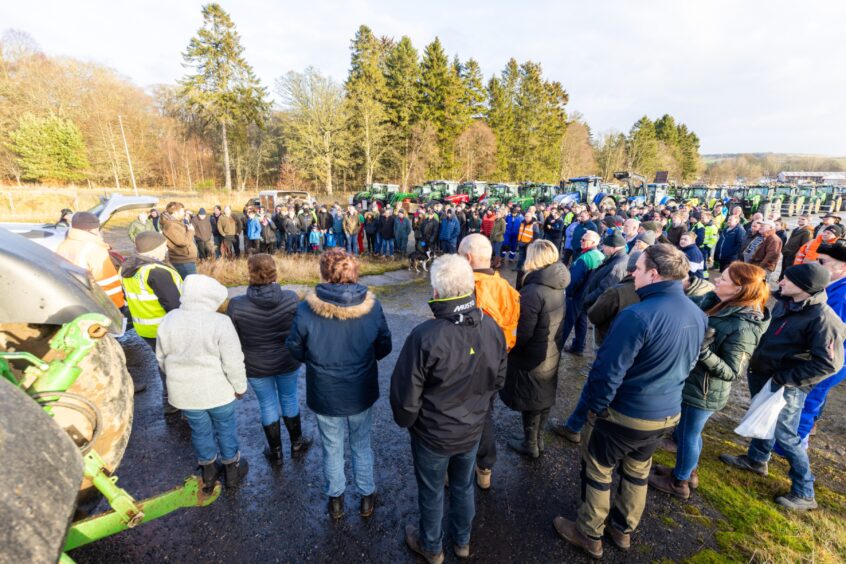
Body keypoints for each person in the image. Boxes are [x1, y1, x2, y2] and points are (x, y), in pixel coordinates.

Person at [553, 244, 707, 558]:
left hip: (626, 412)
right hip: (665, 413)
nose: (632, 273)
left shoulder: (636, 315)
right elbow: (690, 363)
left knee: (598, 470)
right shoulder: (697, 312)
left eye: (637, 269)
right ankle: (623, 530)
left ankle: (589, 532)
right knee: (637, 472)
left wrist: (597, 407)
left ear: (654, 273)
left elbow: (607, 371)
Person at [390, 255, 507, 563]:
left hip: (434, 434)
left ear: (438, 293)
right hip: (470, 428)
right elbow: (499, 378)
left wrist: (409, 421)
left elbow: (405, 394)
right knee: (462, 485)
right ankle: (462, 542)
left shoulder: (425, 336)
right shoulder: (491, 327)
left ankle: (432, 547)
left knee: (432, 491)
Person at [720, 262, 846, 510]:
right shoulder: (787, 302)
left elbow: (829, 365)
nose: (781, 282)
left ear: (805, 287)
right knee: (762, 418)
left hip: (786, 385)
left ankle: (804, 491)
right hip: (766, 375)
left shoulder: (822, 318)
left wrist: (785, 379)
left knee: (786, 436)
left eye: (787, 279)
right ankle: (757, 459)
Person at [286, 249, 392, 520]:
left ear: (324, 272)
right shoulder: (372, 306)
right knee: (361, 443)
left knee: (332, 446)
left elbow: (295, 347)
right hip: (360, 388)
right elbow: (384, 345)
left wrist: (314, 363)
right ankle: (366, 497)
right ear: (353, 272)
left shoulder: (306, 308)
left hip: (325, 389)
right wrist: (366, 361)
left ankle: (336, 501)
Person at [649, 263, 770, 499]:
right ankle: (687, 472)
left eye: (723, 279)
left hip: (704, 391)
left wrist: (703, 350)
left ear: (739, 290)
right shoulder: (719, 302)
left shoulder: (744, 327)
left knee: (688, 434)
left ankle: (679, 482)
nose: (716, 281)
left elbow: (732, 371)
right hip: (692, 382)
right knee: (687, 433)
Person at [156, 274, 249, 490]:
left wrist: (176, 380)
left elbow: (161, 357)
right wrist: (240, 386)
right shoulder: (220, 322)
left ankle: (208, 470)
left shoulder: (169, 319)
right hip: (219, 392)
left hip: (186, 394)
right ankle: (231, 468)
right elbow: (233, 361)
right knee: (226, 427)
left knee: (199, 430)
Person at [227, 254, 310, 466]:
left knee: (267, 404)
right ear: (274, 271)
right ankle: (297, 443)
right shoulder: (291, 298)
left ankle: (276, 452)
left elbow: (233, 340)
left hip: (256, 365)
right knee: (289, 398)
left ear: (250, 273)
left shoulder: (236, 305)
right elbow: (300, 331)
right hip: (287, 360)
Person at [458, 234, 520, 489]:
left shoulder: (467, 287)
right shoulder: (506, 287)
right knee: (486, 415)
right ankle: (485, 468)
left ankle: (458, 469)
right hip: (498, 360)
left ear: (468, 258)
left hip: (469, 364)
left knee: (460, 416)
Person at [500, 240, 569, 458]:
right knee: (543, 395)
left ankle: (530, 444)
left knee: (532, 397)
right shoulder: (557, 282)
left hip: (533, 356)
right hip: (550, 350)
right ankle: (538, 441)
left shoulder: (534, 290)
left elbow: (523, 333)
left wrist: (507, 347)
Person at [121, 232, 183, 411]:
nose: (166, 248)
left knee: (163, 362)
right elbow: (173, 303)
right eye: (164, 245)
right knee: (174, 365)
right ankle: (176, 402)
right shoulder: (156, 271)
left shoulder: (129, 268)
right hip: (164, 327)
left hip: (144, 327)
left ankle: (170, 400)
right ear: (155, 248)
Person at [793, 240, 846, 444]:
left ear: (841, 267)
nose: (817, 265)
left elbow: (831, 335)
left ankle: (794, 444)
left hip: (826, 360)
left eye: (822, 261)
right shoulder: (833, 287)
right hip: (826, 358)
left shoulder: (841, 296)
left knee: (808, 400)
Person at [55, 211, 126, 310]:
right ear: (91, 229)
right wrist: (118, 306)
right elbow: (107, 281)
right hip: (99, 302)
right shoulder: (94, 249)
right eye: (97, 228)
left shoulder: (63, 245)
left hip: (76, 298)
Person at [561, 230, 604, 357]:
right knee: (581, 321)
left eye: (584, 240)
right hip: (588, 296)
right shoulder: (600, 255)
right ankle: (578, 346)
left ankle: (557, 347)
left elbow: (574, 280)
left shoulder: (586, 257)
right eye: (581, 239)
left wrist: (567, 294)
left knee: (567, 323)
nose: (581, 240)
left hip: (577, 296)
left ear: (594, 242)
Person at [587, 251, 642, 346]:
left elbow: (594, 315)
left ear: (628, 269)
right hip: (632, 343)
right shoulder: (652, 292)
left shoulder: (616, 292)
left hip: (607, 338)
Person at [160, 202, 198, 278]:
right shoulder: (170, 226)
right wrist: (190, 231)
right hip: (183, 262)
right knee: (189, 287)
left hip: (186, 261)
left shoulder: (176, 223)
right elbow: (183, 242)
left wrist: (187, 229)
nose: (184, 213)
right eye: (182, 211)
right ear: (175, 212)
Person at [781, 214, 814, 279]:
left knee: (789, 273)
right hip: (787, 253)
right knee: (783, 270)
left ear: (808, 221)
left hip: (793, 256)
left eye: (803, 219)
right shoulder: (796, 229)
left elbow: (805, 246)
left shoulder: (807, 232)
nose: (800, 220)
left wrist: (796, 255)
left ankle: (785, 287)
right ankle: (780, 287)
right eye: (799, 219)